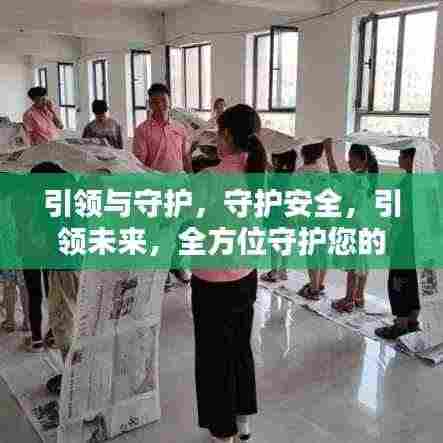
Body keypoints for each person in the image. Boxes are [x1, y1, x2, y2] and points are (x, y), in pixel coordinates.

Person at [191, 104, 265, 443]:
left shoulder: (208, 180)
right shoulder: (259, 174)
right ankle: (243, 422)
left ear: (226, 136)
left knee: (213, 357)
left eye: (218, 134)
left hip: (212, 283)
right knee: (239, 349)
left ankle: (223, 431)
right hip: (245, 277)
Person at [133, 83, 192, 285]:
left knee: (182, 228)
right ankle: (162, 270)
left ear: (170, 102)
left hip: (180, 185)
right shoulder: (142, 130)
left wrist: (191, 180)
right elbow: (139, 164)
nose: (159, 106)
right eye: (154, 102)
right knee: (160, 231)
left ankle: (178, 264)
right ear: (149, 104)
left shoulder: (180, 129)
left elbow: (185, 157)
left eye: (163, 101)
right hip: (156, 188)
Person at [324, 142, 379, 312]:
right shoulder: (368, 177)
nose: (349, 162)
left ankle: (348, 299)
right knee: (362, 263)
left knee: (353, 265)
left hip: (354, 225)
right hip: (363, 223)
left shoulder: (355, 178)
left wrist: (328, 152)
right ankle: (359, 297)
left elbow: (335, 176)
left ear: (362, 160)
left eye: (351, 158)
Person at [375, 148, 420, 339]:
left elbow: (402, 214)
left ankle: (400, 326)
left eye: (401, 155)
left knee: (398, 281)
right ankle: (412, 322)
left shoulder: (408, 183)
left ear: (410, 159)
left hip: (404, 240)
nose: (398, 158)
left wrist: (392, 238)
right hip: (418, 242)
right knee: (413, 280)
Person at [297, 139, 330, 300]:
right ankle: (319, 284)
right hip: (326, 216)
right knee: (322, 252)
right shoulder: (324, 170)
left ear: (303, 153)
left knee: (312, 254)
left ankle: (313, 289)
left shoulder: (300, 172)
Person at [260, 149, 298, 282]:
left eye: (274, 158)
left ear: (279, 160)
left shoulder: (275, 175)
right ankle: (283, 270)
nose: (273, 161)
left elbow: (265, 164)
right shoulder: (292, 176)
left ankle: (274, 271)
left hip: (276, 214)